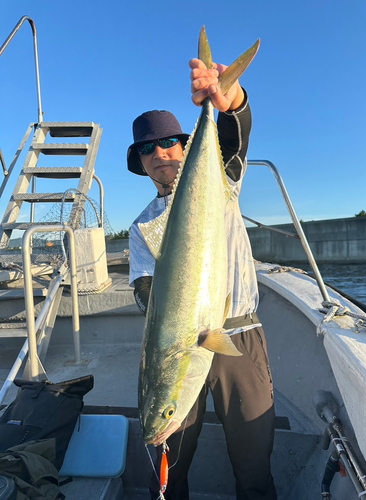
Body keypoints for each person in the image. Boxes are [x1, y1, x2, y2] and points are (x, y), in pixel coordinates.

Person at [127, 58, 277, 500]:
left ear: (185, 144)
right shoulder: (140, 228)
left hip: (238, 335)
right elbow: (145, 291)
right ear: (140, 161)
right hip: (180, 344)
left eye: (170, 142)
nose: (160, 155)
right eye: (147, 150)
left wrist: (229, 102)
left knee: (253, 464)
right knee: (170, 465)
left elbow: (234, 139)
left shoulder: (223, 182)